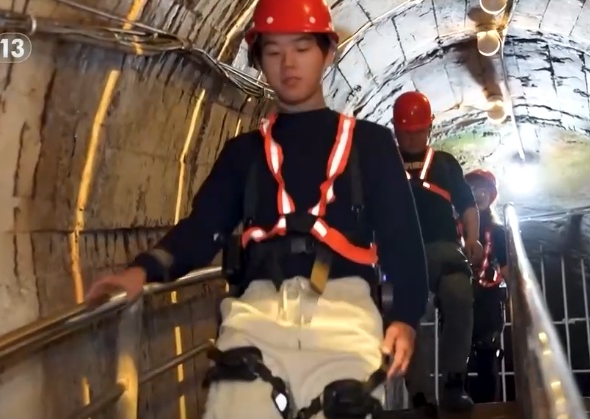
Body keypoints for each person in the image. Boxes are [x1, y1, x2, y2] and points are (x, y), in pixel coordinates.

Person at [84, 0, 430, 417]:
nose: (288, 63)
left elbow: (402, 241)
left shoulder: (370, 145)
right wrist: (141, 271)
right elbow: (203, 228)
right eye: (273, 51)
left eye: (302, 48)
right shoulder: (243, 154)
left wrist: (405, 318)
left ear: (328, 53)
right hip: (257, 316)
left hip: (345, 314)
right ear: (259, 61)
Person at [393, 91, 484, 412]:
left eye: (418, 131)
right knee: (403, 313)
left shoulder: (444, 164)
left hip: (444, 249)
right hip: (403, 253)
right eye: (406, 132)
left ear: (429, 128)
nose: (412, 137)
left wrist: (472, 238)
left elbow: (467, 205)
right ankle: (419, 396)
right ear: (395, 129)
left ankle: (454, 382)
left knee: (459, 294)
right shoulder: (385, 165)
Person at [463, 168, 510, 404]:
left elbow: (506, 267)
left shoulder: (498, 232)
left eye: (483, 189)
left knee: (487, 358)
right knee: (458, 357)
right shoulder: (456, 229)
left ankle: (489, 407)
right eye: (473, 189)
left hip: (488, 301)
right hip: (461, 298)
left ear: (491, 195)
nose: (479, 194)